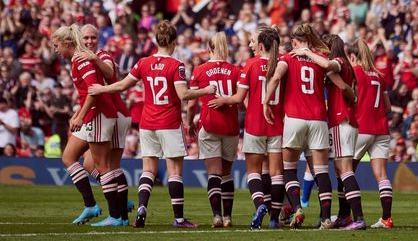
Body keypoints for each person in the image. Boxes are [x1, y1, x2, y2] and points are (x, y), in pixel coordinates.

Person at [88, 21, 215, 229]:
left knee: (148, 169)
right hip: (169, 122)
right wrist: (206, 90)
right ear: (173, 42)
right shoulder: (176, 65)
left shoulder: (143, 62)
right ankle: (179, 219)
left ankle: (141, 208)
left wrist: (100, 89)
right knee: (174, 171)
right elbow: (183, 94)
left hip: (147, 123)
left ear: (157, 41)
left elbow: (121, 85)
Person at [264, 23, 341, 230]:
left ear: (297, 42)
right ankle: (325, 218)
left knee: (289, 169)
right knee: (321, 171)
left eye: (292, 41)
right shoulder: (320, 59)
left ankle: (297, 208)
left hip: (295, 118)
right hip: (318, 119)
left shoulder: (288, 58)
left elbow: (276, 77)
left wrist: (265, 102)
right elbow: (333, 70)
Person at [209, 26, 284, 230]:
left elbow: (239, 98)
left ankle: (260, 205)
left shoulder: (250, 65)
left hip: (255, 124)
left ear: (261, 45)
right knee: (277, 174)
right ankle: (275, 219)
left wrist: (222, 100)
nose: (251, 45)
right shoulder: (282, 64)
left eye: (253, 42)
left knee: (253, 173)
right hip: (277, 125)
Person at [52, 25, 121, 227]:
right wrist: (78, 114)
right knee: (69, 157)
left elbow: (94, 91)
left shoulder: (81, 60)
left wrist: (81, 116)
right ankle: (92, 205)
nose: (56, 50)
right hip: (93, 114)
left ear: (66, 44)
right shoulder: (77, 59)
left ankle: (116, 215)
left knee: (102, 167)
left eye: (57, 45)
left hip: (98, 114)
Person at [77, 24, 134, 224]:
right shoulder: (81, 57)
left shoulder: (103, 55)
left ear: (98, 38)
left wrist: (94, 58)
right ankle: (121, 203)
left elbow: (110, 73)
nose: (89, 41)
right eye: (86, 38)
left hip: (113, 113)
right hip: (111, 113)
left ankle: (117, 210)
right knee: (90, 163)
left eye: (93, 37)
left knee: (106, 165)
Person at [186, 32, 240, 228]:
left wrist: (189, 121)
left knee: (214, 174)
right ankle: (228, 217)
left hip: (209, 124)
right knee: (227, 174)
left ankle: (216, 215)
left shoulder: (200, 70)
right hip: (231, 125)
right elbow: (240, 100)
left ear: (209, 49)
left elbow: (191, 103)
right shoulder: (235, 70)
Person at [349, 39, 393, 229]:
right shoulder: (379, 76)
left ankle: (349, 216)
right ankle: (386, 219)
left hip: (362, 128)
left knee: (346, 172)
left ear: (353, 56)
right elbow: (388, 107)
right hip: (381, 129)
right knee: (382, 176)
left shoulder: (355, 72)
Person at [324, 34, 365, 230]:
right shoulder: (347, 64)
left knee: (345, 169)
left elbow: (329, 67)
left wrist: (308, 53)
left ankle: (358, 217)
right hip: (344, 119)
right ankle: (344, 216)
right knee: (340, 170)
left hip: (341, 119)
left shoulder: (338, 61)